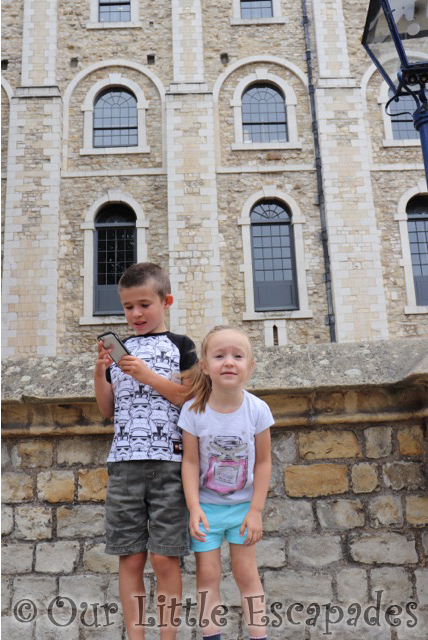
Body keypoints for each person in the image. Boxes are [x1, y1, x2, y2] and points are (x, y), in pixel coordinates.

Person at [94, 262, 197, 640]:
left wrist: (148, 377)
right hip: (123, 464)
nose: (135, 314)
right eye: (127, 307)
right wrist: (100, 371)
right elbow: (107, 410)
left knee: (165, 557)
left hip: (170, 463)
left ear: (165, 301)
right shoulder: (119, 353)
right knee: (131, 557)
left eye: (143, 305)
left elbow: (191, 399)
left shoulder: (181, 345)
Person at [179, 326, 273, 640]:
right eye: (219, 356)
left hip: (243, 510)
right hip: (207, 508)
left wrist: (256, 510)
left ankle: (258, 636)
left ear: (251, 365)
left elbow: (263, 462)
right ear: (204, 365)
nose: (229, 362)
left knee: (246, 574)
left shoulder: (257, 410)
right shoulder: (193, 412)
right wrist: (193, 508)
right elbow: (190, 462)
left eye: (237, 355)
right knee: (207, 575)